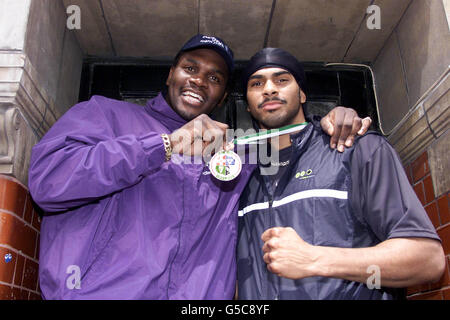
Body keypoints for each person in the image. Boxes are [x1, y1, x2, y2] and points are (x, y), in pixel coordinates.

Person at [28, 35, 369, 299]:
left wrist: (333, 121)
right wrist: (164, 146)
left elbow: (292, 142)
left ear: (222, 98)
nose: (199, 80)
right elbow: (48, 183)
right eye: (190, 68)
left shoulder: (235, 151)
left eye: (214, 77)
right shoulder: (106, 115)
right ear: (170, 75)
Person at [236, 48, 446, 300]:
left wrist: (316, 259)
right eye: (256, 83)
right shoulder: (239, 175)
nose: (269, 89)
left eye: (282, 80)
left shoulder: (356, 148)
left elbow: (427, 260)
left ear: (302, 94)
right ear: (247, 105)